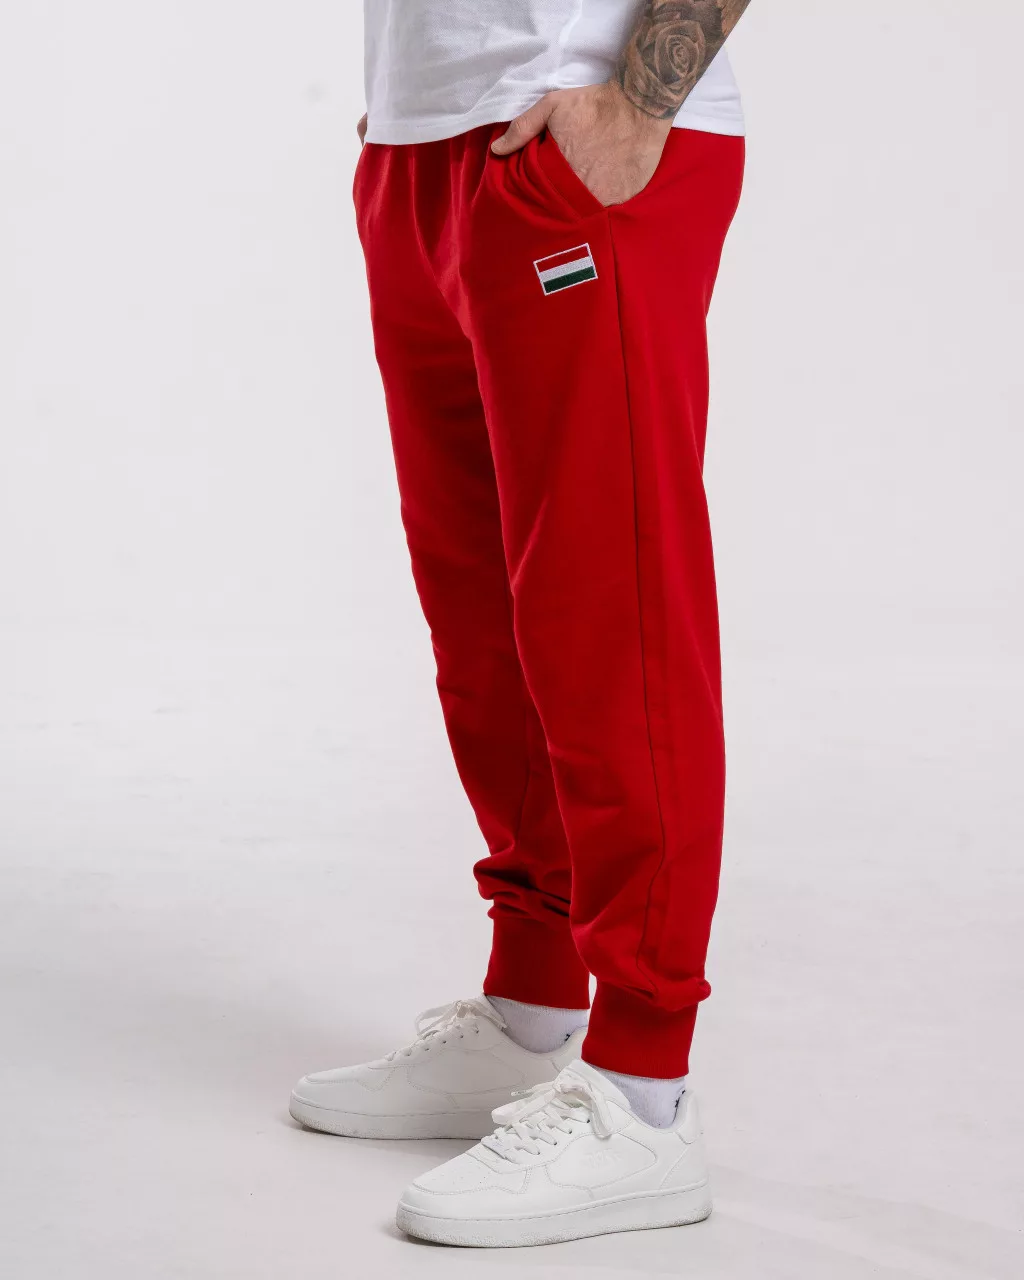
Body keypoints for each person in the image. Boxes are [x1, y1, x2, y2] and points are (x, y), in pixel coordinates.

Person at [290, 0, 752, 1247]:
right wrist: (408, 121)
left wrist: (638, 102)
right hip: (425, 144)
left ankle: (645, 1091)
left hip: (584, 132)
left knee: (613, 617)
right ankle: (533, 1009)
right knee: (483, 618)